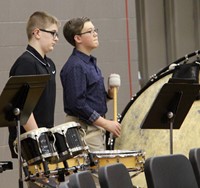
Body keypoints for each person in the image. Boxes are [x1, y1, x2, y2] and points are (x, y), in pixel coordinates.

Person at [60, 17, 121, 152]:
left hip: (94, 128)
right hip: (85, 131)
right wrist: (106, 124)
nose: (95, 33)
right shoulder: (76, 66)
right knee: (94, 172)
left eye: (95, 30)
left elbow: (89, 99)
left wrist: (109, 95)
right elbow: (78, 104)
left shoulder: (89, 63)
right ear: (78, 38)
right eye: (90, 31)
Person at [8, 11, 60, 158]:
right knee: (42, 181)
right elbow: (23, 107)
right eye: (53, 33)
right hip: (30, 139)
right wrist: (40, 140)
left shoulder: (49, 64)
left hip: (43, 135)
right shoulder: (26, 63)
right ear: (37, 33)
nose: (56, 39)